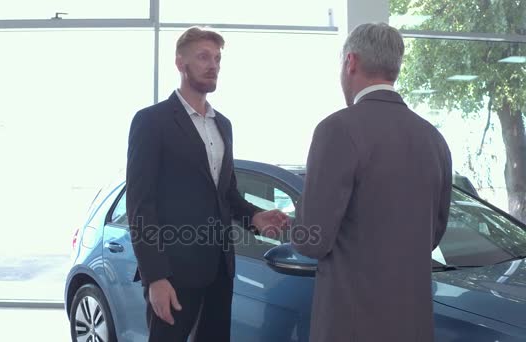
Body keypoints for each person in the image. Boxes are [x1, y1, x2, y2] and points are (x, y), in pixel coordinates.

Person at [291, 22, 452, 342]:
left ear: (350, 62)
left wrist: (291, 222)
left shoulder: (336, 129)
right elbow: (433, 233)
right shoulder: (433, 138)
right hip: (414, 325)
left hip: (351, 325)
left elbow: (313, 240)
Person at [126, 26, 289, 342]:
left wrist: (254, 216)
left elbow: (225, 193)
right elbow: (140, 205)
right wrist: (155, 277)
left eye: (217, 58)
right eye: (203, 57)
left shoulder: (223, 125)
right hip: (172, 273)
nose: (212, 65)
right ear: (180, 63)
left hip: (219, 269)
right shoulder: (151, 121)